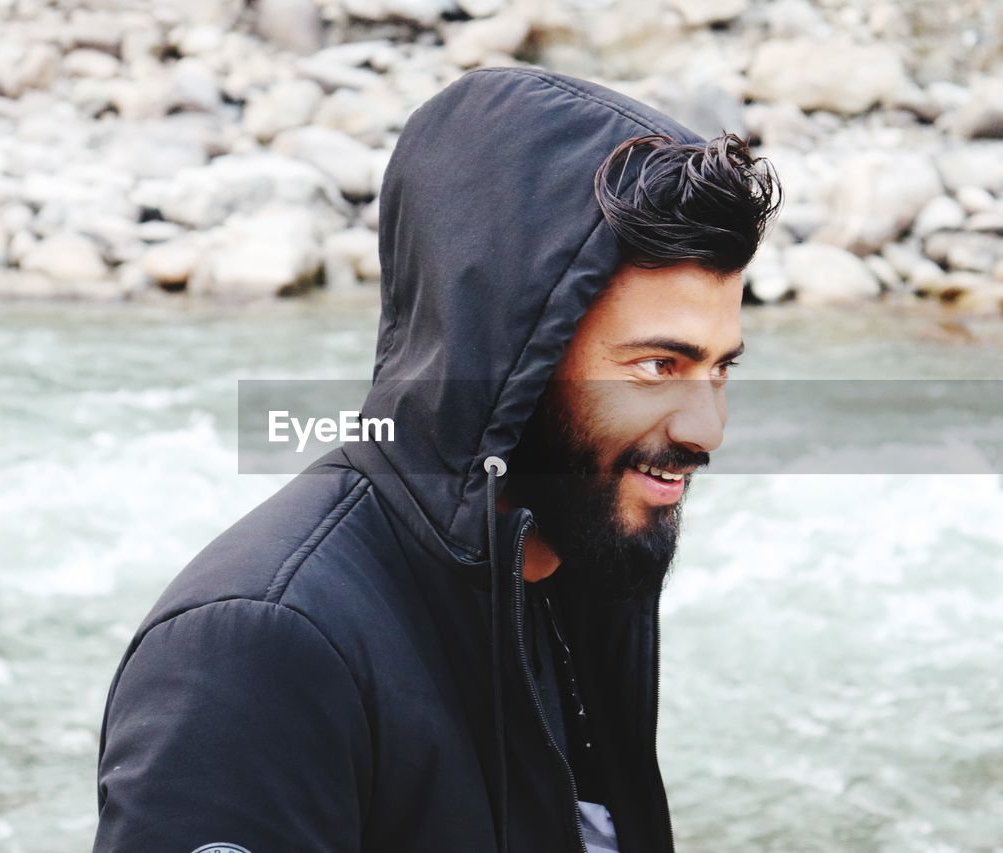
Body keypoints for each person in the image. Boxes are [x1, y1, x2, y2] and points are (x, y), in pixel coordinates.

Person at [94, 67, 781, 853]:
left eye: (722, 367)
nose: (709, 427)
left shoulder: (586, 563)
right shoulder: (255, 651)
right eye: (659, 366)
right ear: (512, 359)